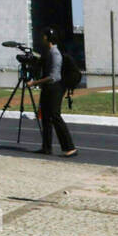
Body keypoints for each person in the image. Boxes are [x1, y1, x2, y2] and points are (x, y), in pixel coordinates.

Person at [30, 27, 77, 157]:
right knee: (45, 117)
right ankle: (46, 147)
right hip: (48, 88)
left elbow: (53, 76)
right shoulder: (48, 52)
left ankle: (69, 147)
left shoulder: (55, 53)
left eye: (43, 36)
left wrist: (34, 83)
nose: (42, 38)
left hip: (55, 88)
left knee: (55, 116)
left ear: (47, 37)